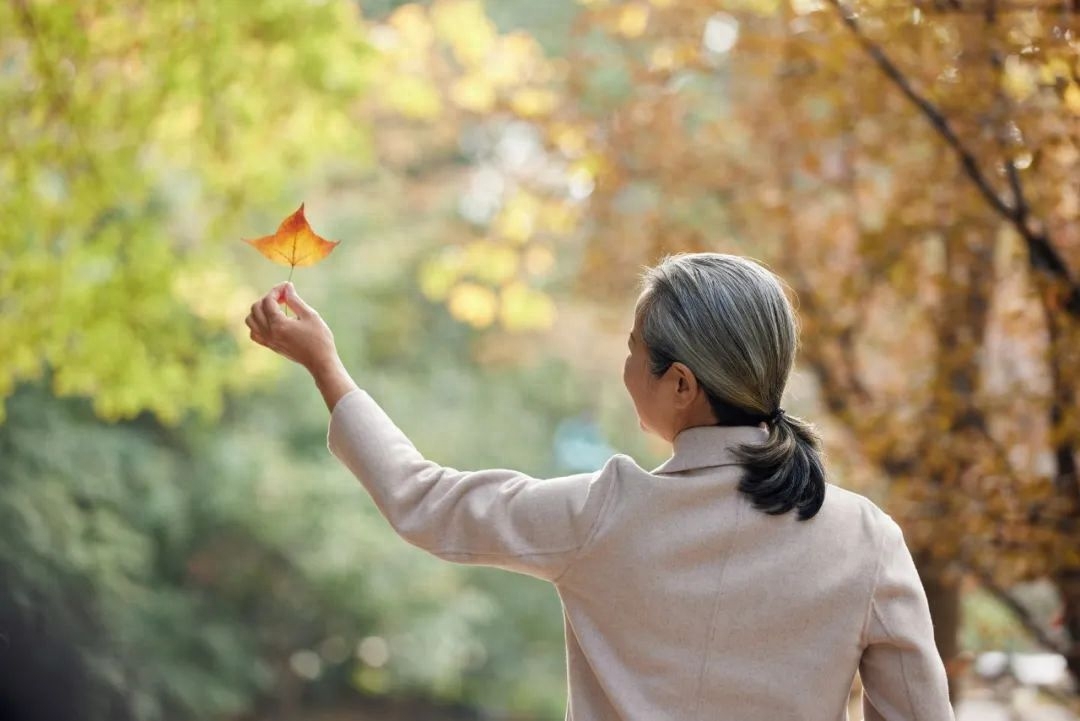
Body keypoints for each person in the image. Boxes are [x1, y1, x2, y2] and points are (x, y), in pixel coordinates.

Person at [245, 252, 954, 721]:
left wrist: (326, 367)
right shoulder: (867, 540)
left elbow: (424, 500)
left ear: (681, 384)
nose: (625, 367)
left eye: (633, 349)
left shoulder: (603, 515)